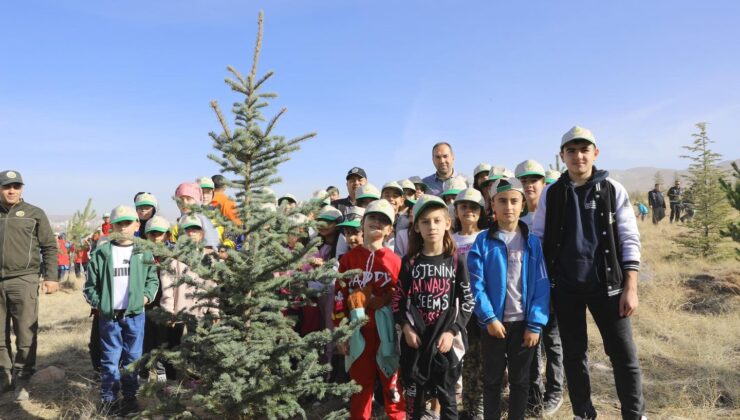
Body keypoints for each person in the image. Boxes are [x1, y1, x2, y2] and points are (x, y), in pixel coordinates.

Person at [533, 126, 646, 420]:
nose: (578, 156)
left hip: (608, 287)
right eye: (571, 151)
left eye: (584, 150)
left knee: (623, 356)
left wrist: (630, 287)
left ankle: (634, 415)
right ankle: (583, 413)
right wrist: (546, 290)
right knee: (573, 355)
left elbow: (628, 238)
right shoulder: (552, 194)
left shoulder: (612, 189)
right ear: (562, 156)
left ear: (595, 153)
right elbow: (540, 239)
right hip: (566, 289)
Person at [468, 178, 550, 420]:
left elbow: (542, 285)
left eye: (514, 201)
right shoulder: (482, 241)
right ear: (492, 204)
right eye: (502, 201)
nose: (508, 207)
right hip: (493, 325)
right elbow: (476, 284)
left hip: (525, 325)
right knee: (492, 380)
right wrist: (488, 318)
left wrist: (535, 323)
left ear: (522, 204)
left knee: (520, 381)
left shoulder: (532, 242)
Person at [392, 194, 474, 420]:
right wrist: (407, 329)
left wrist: (452, 331)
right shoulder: (410, 263)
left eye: (437, 220)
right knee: (414, 401)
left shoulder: (456, 261)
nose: (432, 227)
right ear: (417, 226)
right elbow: (397, 301)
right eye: (425, 222)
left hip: (444, 344)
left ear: (448, 223)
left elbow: (468, 301)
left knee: (448, 400)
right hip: (417, 343)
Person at [83, 205, 159, 416]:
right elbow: (90, 286)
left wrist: (145, 297)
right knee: (110, 358)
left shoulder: (143, 252)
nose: (124, 228)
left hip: (135, 316)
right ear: (112, 227)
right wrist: (101, 303)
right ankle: (108, 399)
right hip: (109, 317)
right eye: (119, 224)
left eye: (128, 223)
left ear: (136, 225)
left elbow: (152, 279)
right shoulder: (102, 253)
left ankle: (130, 397)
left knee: (132, 358)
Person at [334, 199, 405, 419]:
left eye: (383, 221)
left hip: (387, 336)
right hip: (358, 334)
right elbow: (339, 297)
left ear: (390, 229)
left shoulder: (395, 261)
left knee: (392, 388)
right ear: (362, 223)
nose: (377, 223)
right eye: (372, 218)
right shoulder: (348, 259)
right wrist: (341, 332)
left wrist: (386, 297)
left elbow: (402, 298)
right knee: (360, 389)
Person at [0, 170, 59, 401]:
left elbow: (49, 247)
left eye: (16, 186)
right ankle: (4, 377)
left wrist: (51, 277)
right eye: (7, 186)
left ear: (22, 188)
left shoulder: (34, 213)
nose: (12, 190)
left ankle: (23, 378)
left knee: (25, 332)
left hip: (23, 279)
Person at [515, 160, 565, 416]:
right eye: (524, 181)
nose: (529, 185)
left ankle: (554, 392)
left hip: (553, 290)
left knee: (553, 342)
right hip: (527, 293)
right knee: (531, 345)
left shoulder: (554, 216)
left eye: (533, 180)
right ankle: (533, 394)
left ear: (543, 183)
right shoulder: (519, 221)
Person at [451, 188, 486, 419]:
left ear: (481, 211)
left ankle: (478, 408)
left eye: (473, 207)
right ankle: (464, 406)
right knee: (463, 359)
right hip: (457, 309)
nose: (468, 211)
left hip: (482, 307)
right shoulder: (450, 239)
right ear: (456, 211)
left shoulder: (487, 236)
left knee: (481, 360)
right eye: (463, 206)